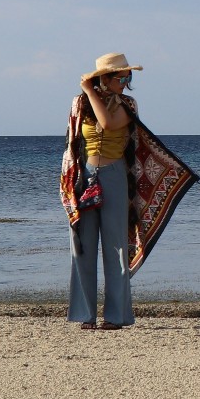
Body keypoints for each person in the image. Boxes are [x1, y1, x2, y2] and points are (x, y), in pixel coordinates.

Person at [65, 53, 141, 330]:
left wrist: (88, 89)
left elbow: (108, 123)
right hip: (85, 177)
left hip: (114, 176)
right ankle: (86, 315)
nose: (126, 82)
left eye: (127, 77)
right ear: (104, 78)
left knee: (116, 248)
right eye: (120, 77)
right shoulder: (79, 104)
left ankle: (115, 316)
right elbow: (73, 142)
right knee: (83, 247)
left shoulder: (127, 104)